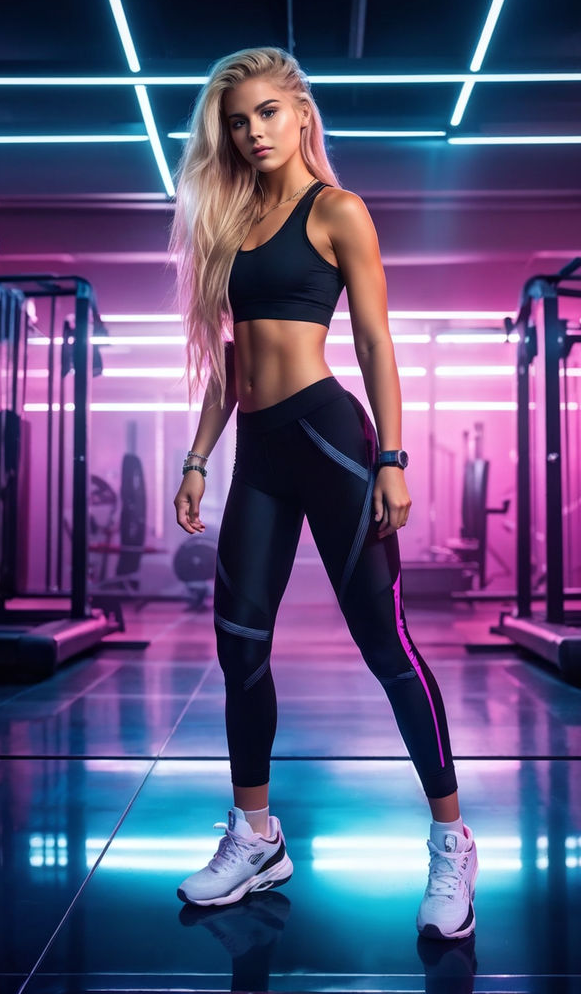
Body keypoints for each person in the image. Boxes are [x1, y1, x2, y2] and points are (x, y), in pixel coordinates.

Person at [168, 46, 477, 940]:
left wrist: (395, 459)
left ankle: (452, 841)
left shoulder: (336, 209)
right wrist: (197, 457)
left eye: (268, 112)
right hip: (259, 450)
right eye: (237, 120)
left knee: (388, 648)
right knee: (240, 646)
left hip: (332, 440)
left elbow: (377, 343)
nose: (252, 131)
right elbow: (231, 364)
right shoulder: (230, 217)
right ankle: (256, 834)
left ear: (302, 114)